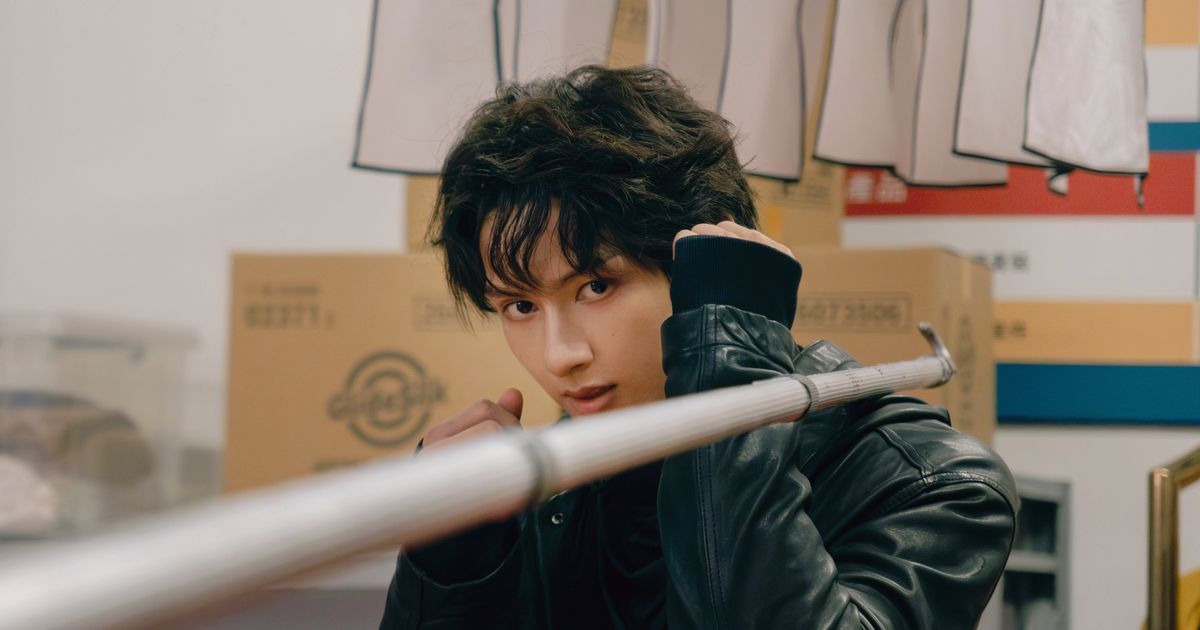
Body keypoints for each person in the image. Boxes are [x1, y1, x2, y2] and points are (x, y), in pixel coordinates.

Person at [379, 65, 1017, 629]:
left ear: (705, 266)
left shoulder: (932, 482)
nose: (559, 356)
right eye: (520, 306)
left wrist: (727, 366)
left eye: (597, 286)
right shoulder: (554, 491)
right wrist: (451, 568)